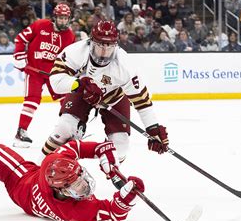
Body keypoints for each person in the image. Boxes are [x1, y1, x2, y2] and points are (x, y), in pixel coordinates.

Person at [0, 139, 145, 221]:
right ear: (63, 191)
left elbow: (74, 148)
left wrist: (98, 149)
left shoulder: (53, 163)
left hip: (24, 179)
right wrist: (126, 196)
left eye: (82, 178)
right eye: (77, 186)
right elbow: (114, 213)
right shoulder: (75, 210)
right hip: (21, 178)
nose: (84, 186)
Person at [38, 20, 169, 164]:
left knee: (121, 146)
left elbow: (142, 102)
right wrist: (78, 84)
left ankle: (109, 166)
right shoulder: (75, 51)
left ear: (116, 45)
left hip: (114, 97)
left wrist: (153, 129)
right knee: (64, 129)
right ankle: (38, 167)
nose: (105, 51)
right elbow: (56, 82)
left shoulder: (125, 66)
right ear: (90, 42)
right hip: (82, 93)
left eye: (109, 46)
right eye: (100, 45)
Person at [12, 3, 75, 148]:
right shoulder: (40, 25)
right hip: (35, 71)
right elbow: (21, 38)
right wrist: (19, 56)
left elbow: (70, 57)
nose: (63, 21)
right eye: (61, 18)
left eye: (66, 18)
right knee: (32, 101)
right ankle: (21, 133)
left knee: (66, 100)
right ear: (55, 18)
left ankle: (68, 132)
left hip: (54, 73)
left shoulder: (69, 35)